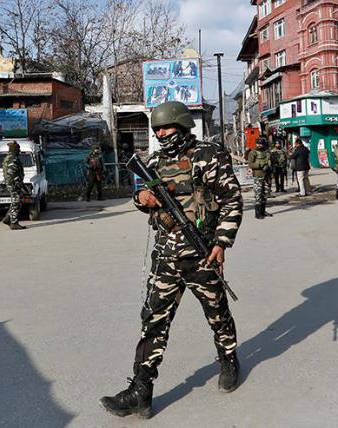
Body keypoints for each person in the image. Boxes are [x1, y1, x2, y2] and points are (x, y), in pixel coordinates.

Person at [100, 101, 243, 419]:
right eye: (156, 130)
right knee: (152, 322)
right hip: (165, 257)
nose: (160, 134)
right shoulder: (153, 161)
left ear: (181, 125)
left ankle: (229, 358)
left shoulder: (208, 155)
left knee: (217, 314)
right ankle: (141, 390)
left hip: (202, 255)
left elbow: (232, 199)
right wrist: (142, 198)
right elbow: (139, 197)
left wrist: (221, 242)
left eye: (165, 128)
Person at [2, 141, 26, 230]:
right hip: (14, 184)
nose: (19, 151)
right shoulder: (13, 159)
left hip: (11, 184)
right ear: (15, 149)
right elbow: (12, 174)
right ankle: (14, 222)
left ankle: (8, 218)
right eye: (18, 149)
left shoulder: (8, 158)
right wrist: (18, 184)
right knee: (16, 202)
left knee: (17, 202)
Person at [248, 138, 273, 219]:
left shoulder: (267, 152)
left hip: (267, 176)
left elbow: (271, 162)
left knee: (265, 194)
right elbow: (251, 164)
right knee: (258, 194)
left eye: (261, 144)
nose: (259, 145)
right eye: (258, 144)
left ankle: (263, 211)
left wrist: (270, 167)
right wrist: (261, 165)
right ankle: (257, 213)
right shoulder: (253, 152)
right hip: (258, 176)